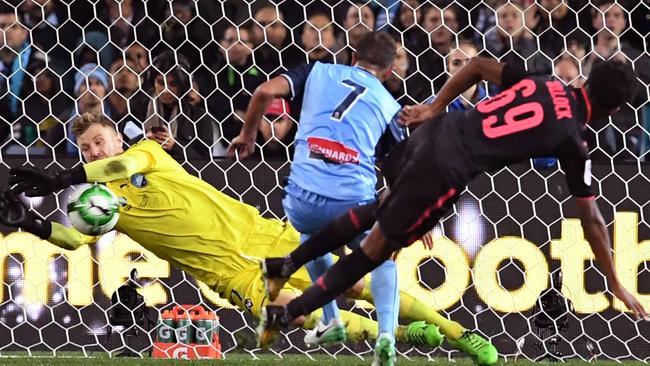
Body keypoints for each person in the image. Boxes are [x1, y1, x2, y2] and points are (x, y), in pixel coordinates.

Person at [257, 58, 649, 360]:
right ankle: (289, 313)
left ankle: (285, 265)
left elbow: (478, 66)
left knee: (375, 211)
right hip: (444, 171)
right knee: (375, 252)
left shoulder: (545, 81)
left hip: (434, 133)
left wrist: (434, 108)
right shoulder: (572, 141)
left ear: (584, 80)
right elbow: (592, 219)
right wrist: (614, 280)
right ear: (611, 112)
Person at [1, 112, 466, 352]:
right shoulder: (100, 206)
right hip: (224, 272)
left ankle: (456, 332)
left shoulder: (145, 153)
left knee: (357, 283)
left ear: (116, 140)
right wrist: (32, 222)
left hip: (259, 236)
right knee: (295, 317)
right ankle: (408, 336)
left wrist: (66, 175)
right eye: (84, 147)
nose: (93, 150)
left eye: (98, 142)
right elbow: (73, 240)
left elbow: (121, 164)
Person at [228, 31, 409, 366]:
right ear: (388, 72)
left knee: (311, 237)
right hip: (354, 200)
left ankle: (331, 319)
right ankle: (386, 334)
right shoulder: (390, 105)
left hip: (302, 199)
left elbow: (265, 91)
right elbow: (403, 166)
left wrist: (248, 134)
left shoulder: (318, 71)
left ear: (352, 56)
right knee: (382, 256)